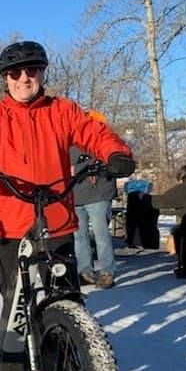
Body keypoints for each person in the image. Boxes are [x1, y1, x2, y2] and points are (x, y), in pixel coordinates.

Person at [0, 40, 134, 371]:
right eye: (15, 72)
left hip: (56, 221)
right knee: (16, 302)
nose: (23, 78)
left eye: (32, 70)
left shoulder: (62, 110)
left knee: (66, 299)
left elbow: (94, 133)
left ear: (42, 73)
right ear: (6, 78)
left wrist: (116, 153)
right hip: (10, 223)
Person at [70, 110, 118, 289]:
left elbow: (112, 160)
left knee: (101, 234)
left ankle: (107, 272)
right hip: (75, 195)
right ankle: (85, 272)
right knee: (79, 236)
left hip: (99, 194)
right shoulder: (70, 141)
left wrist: (90, 168)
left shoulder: (104, 139)